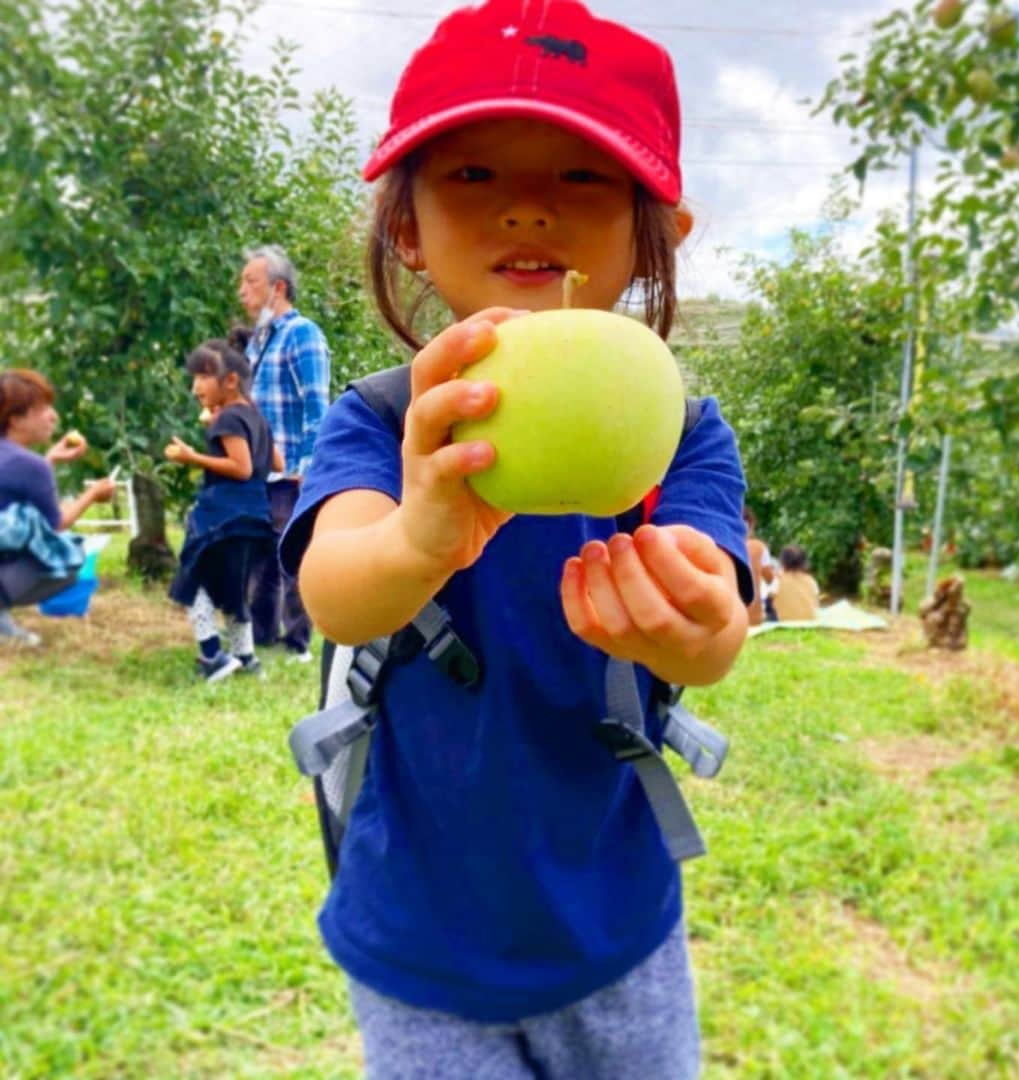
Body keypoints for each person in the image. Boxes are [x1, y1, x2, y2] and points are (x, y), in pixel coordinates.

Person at [280, 2, 753, 1075]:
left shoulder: (676, 423)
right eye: (475, 176)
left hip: (615, 923)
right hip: (419, 937)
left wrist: (691, 626)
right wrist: (419, 538)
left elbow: (716, 636)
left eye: (584, 177)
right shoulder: (386, 420)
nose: (529, 211)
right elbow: (337, 593)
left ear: (658, 228)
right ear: (406, 227)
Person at [165, 340, 282, 682]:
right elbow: (277, 462)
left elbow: (241, 467)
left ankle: (213, 655)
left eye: (203, 375)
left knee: (192, 582)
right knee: (234, 589)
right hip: (254, 517)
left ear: (230, 381)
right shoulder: (256, 417)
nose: (196, 386)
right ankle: (245, 658)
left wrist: (192, 456)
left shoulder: (228, 417)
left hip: (222, 517)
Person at [237, 244, 330, 662]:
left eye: (250, 281)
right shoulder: (259, 340)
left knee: (293, 554)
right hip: (261, 469)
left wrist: (312, 466)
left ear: (277, 288)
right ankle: (263, 633)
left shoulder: (302, 334)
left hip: (292, 469)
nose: (242, 290)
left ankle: (298, 642)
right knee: (262, 556)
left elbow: (317, 404)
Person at [0, 369, 116, 645]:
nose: (53, 416)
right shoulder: (31, 466)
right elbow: (57, 522)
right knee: (68, 556)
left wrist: (49, 459)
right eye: (43, 410)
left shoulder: (19, 461)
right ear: (16, 419)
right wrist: (93, 494)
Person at [742, 506, 776, 627]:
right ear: (750, 525)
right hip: (754, 619)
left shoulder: (718, 546)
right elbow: (771, 580)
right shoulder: (759, 547)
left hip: (727, 621)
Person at [772, 544, 821, 622]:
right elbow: (816, 603)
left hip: (785, 622)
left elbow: (770, 600)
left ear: (782, 563)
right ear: (804, 563)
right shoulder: (811, 580)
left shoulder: (778, 580)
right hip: (810, 621)